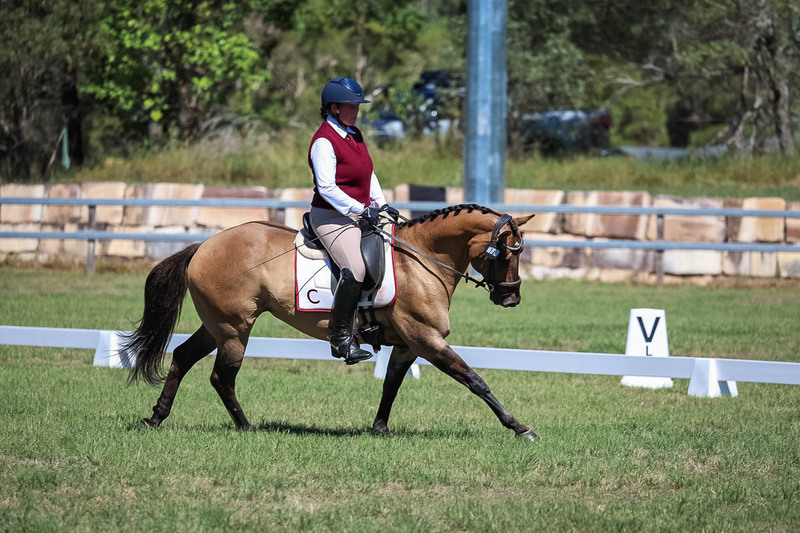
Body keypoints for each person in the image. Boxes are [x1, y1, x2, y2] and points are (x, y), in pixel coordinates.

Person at [308, 77, 399, 365]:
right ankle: (341, 339)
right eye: (351, 105)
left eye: (357, 105)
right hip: (330, 216)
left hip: (358, 213)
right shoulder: (324, 142)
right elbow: (327, 187)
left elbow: (367, 174)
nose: (356, 110)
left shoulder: (354, 134)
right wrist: (360, 209)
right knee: (356, 268)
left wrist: (381, 203)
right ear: (333, 108)